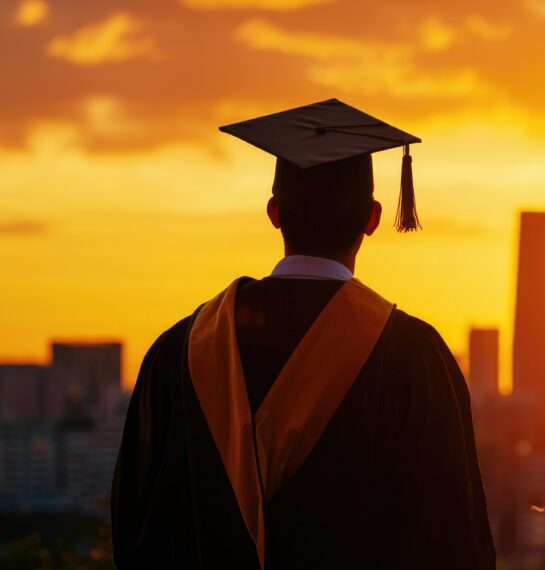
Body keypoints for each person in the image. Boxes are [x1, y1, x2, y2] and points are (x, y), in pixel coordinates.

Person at [111, 99, 496, 569]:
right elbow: (454, 541)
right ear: (373, 218)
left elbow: (137, 530)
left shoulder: (182, 349)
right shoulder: (412, 356)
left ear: (274, 212)